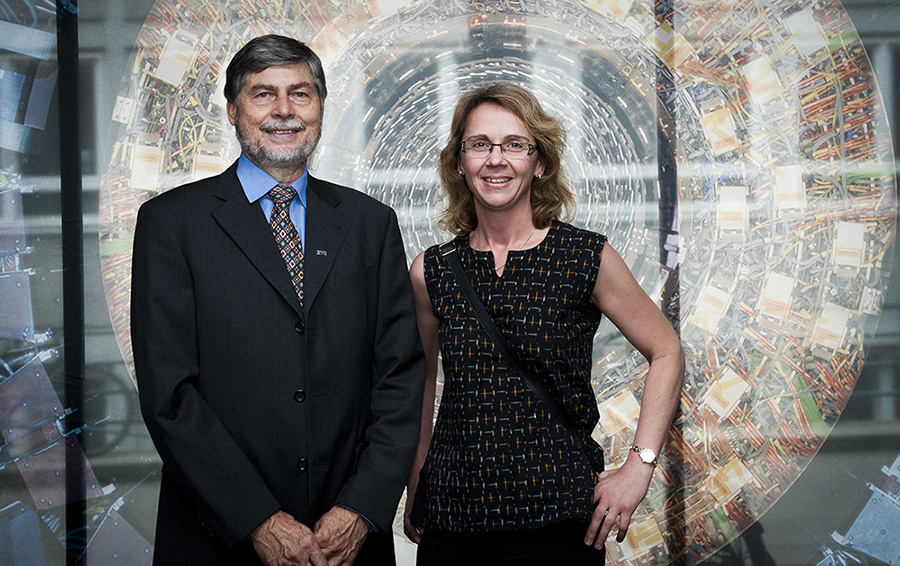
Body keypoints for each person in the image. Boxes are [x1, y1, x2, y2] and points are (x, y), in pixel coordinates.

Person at [131, 34, 425, 566]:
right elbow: (169, 394)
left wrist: (361, 507)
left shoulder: (370, 223)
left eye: (301, 94)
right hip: (218, 539)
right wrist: (257, 519)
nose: (284, 110)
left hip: (347, 542)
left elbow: (400, 376)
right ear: (232, 110)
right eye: (264, 94)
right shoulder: (170, 224)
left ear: (320, 109)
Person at [403, 82, 685, 565]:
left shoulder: (584, 257)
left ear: (540, 163)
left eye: (515, 145)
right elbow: (421, 384)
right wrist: (416, 484)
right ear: (459, 163)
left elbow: (667, 351)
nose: (496, 159)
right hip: (453, 520)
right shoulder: (432, 271)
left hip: (560, 522)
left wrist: (639, 467)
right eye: (479, 144)